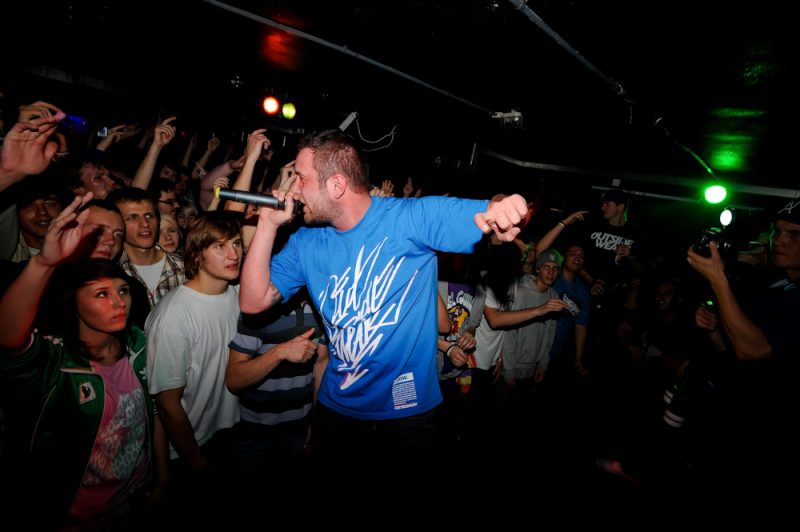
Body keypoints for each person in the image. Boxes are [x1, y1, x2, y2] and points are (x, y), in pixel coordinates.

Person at [239, 129, 527, 492]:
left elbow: (485, 212)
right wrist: (266, 224)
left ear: (337, 185)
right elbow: (252, 301)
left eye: (301, 178)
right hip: (336, 410)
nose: (293, 189)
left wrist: (504, 206)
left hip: (407, 415)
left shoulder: (410, 218)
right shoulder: (305, 241)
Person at [0, 194, 167, 529]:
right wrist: (44, 264)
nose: (110, 241)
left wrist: (162, 479)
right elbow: (9, 343)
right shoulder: (29, 288)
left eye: (118, 234)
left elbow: (154, 408)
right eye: (98, 231)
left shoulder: (133, 325)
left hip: (135, 492)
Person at [685, 199, 800, 520]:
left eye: (794, 234)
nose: (781, 240)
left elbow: (755, 349)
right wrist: (712, 327)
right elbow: (735, 349)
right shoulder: (774, 285)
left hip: (770, 438)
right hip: (736, 418)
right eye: (778, 232)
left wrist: (718, 280)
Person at [145, 212, 243, 518]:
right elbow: (167, 404)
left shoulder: (239, 295)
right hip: (192, 444)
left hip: (232, 431)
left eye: (237, 244)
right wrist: (197, 463)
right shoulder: (174, 315)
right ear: (197, 255)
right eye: (220, 246)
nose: (233, 254)